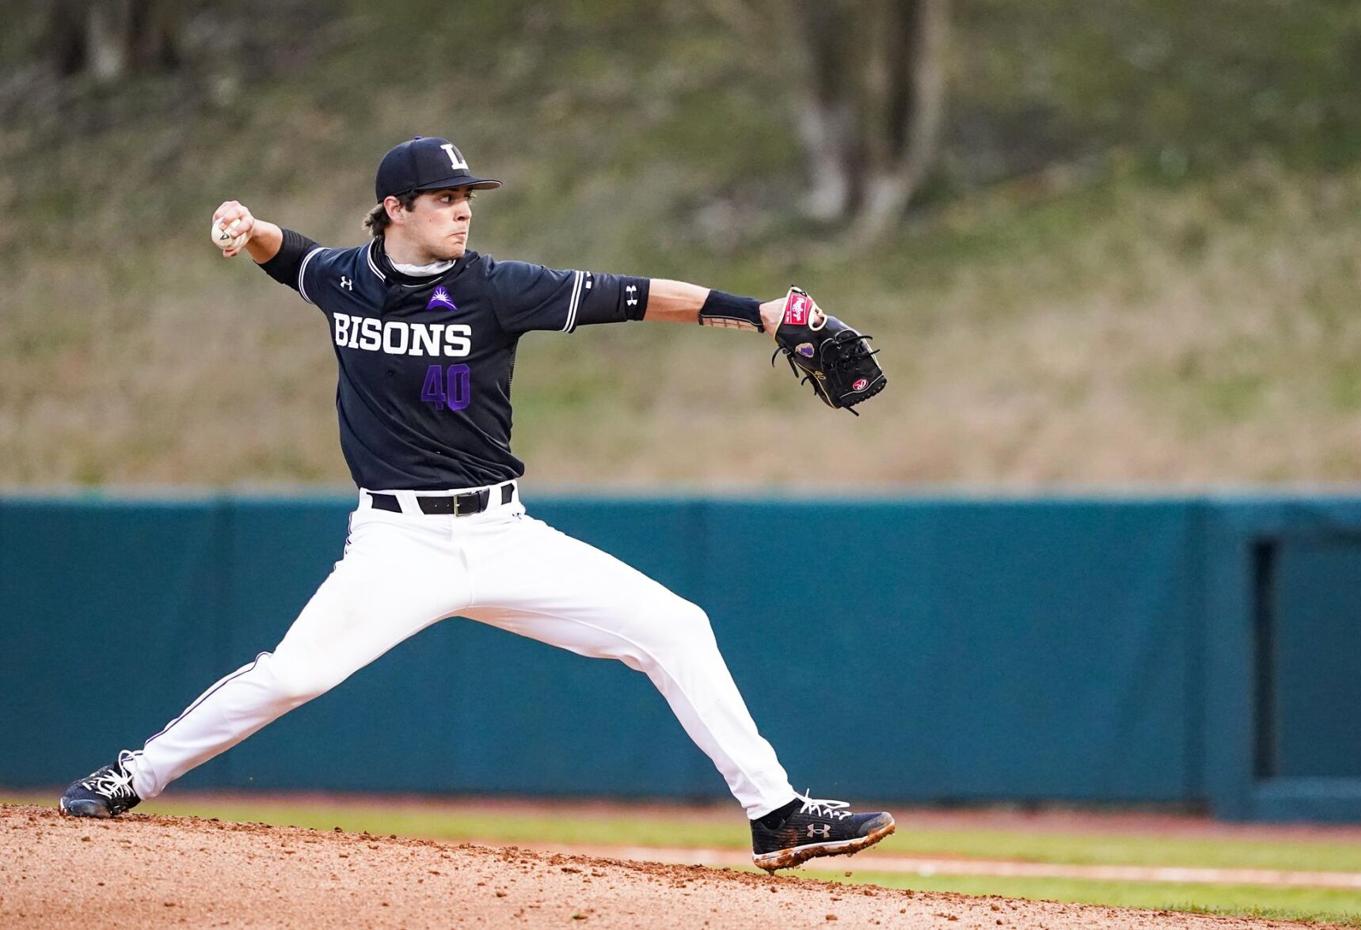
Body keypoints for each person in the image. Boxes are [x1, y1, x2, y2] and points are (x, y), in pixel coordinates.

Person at [58, 135, 894, 872]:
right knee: (295, 674)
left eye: (467, 199)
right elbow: (292, 255)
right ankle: (134, 774)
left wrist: (760, 315)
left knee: (676, 626)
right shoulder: (344, 279)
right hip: (396, 544)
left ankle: (775, 816)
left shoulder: (501, 288)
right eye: (445, 200)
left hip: (502, 534)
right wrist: (250, 229)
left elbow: (637, 296)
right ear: (394, 209)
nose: (463, 214)